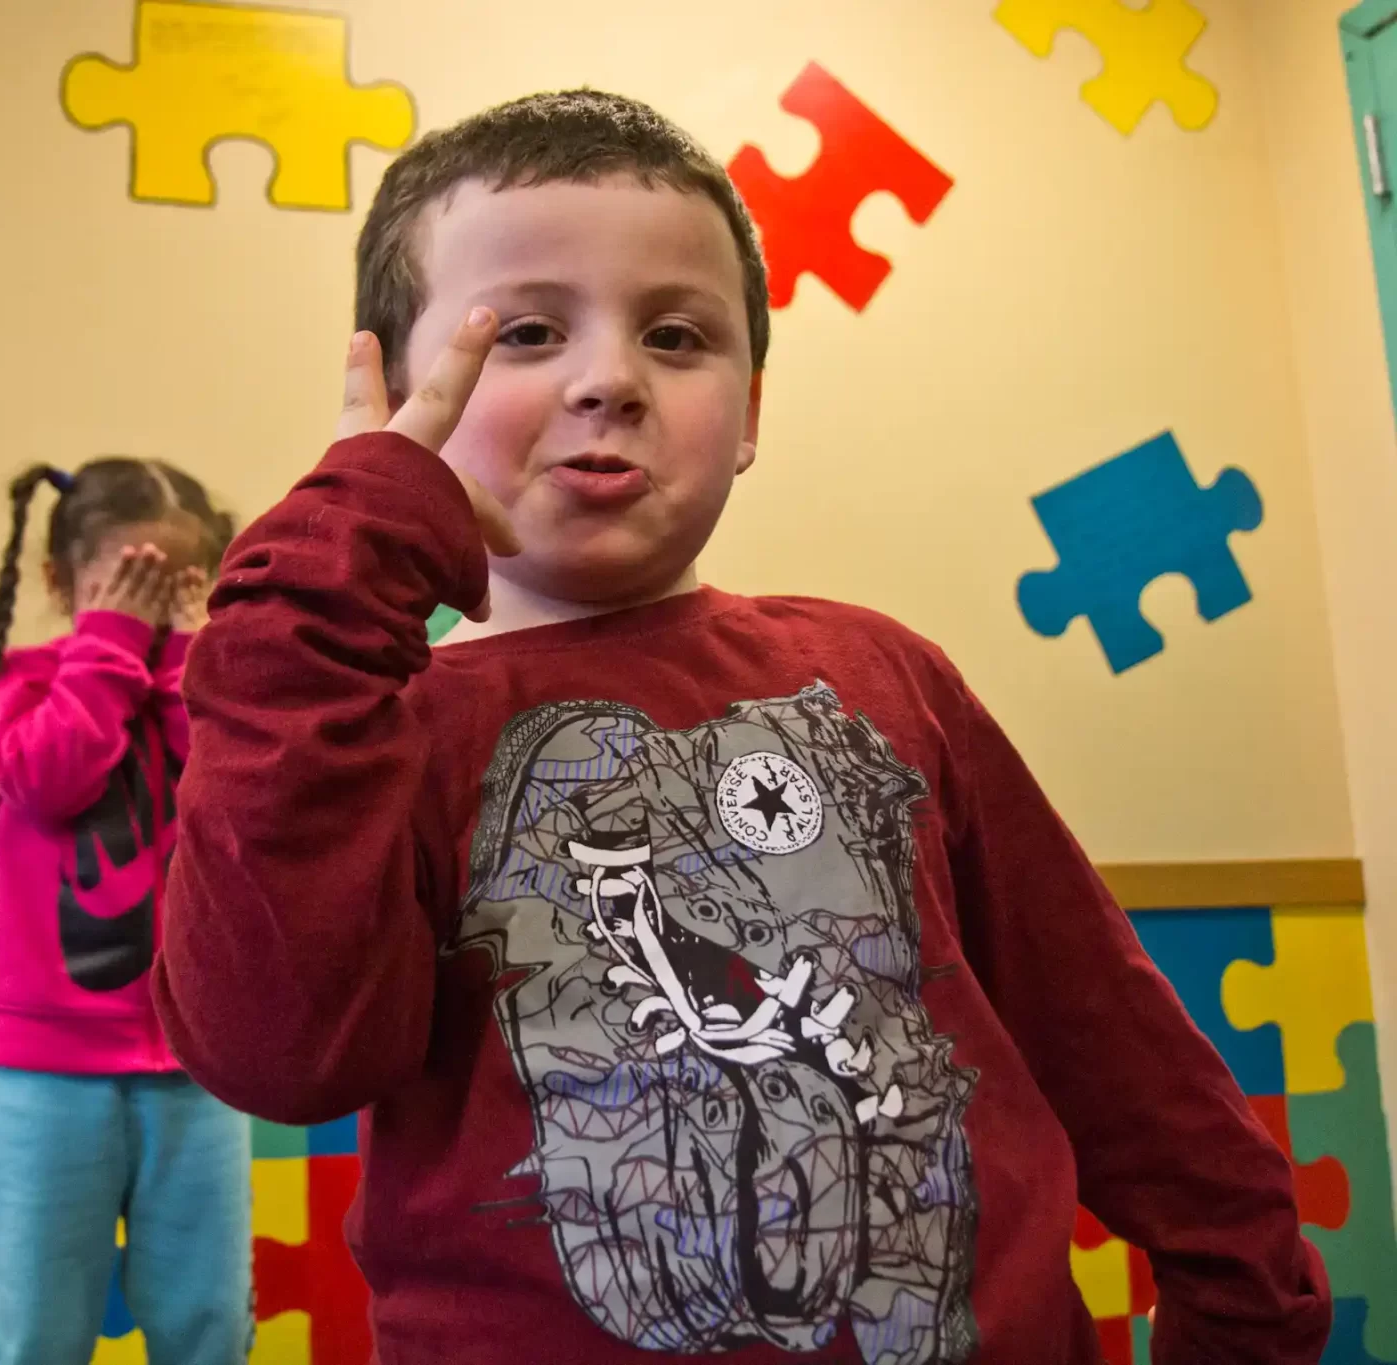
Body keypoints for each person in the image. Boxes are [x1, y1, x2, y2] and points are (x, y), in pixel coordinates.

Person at [151, 90, 1331, 1364]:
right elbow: (282, 1060)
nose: (609, 380)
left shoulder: (880, 674)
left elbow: (1106, 1031)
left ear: (751, 410)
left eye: (675, 336)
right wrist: (325, 584)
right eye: (527, 331)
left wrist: (1246, 1298)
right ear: (395, 394)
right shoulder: (363, 735)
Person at [0, 457, 251, 1365]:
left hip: (196, 1061)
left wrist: (191, 658)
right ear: (61, 580)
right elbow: (49, 776)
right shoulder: (16, 689)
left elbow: (234, 803)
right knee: (36, 1330)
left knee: (206, 1326)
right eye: (127, 583)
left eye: (174, 585)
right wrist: (110, 646)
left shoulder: (214, 704)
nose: (149, 610)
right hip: (47, 1068)